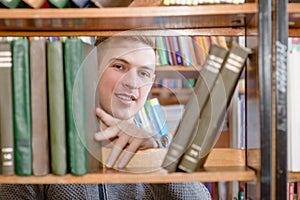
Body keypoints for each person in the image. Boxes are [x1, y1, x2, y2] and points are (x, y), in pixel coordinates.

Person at [0, 35, 211, 200]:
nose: (132, 83)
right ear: (91, 72)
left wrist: (153, 154)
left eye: (144, 73)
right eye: (119, 67)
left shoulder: (164, 146)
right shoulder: (44, 146)